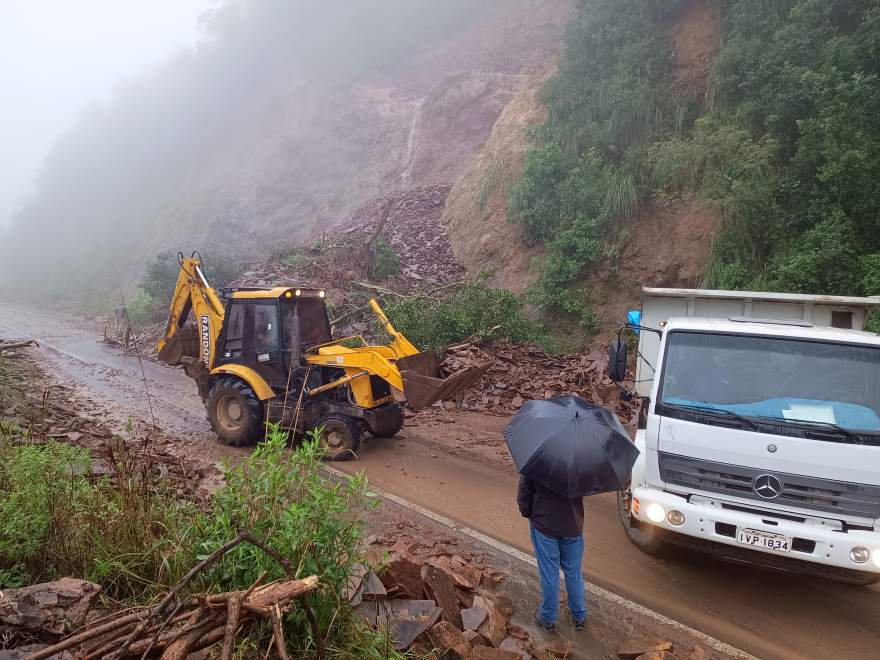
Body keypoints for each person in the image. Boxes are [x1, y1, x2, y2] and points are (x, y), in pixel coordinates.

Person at [517, 475, 587, 632]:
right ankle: (579, 616)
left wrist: (529, 514)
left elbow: (524, 493)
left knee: (550, 574)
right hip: (573, 526)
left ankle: (548, 618)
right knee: (573, 572)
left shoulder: (538, 457)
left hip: (545, 525)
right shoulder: (580, 461)